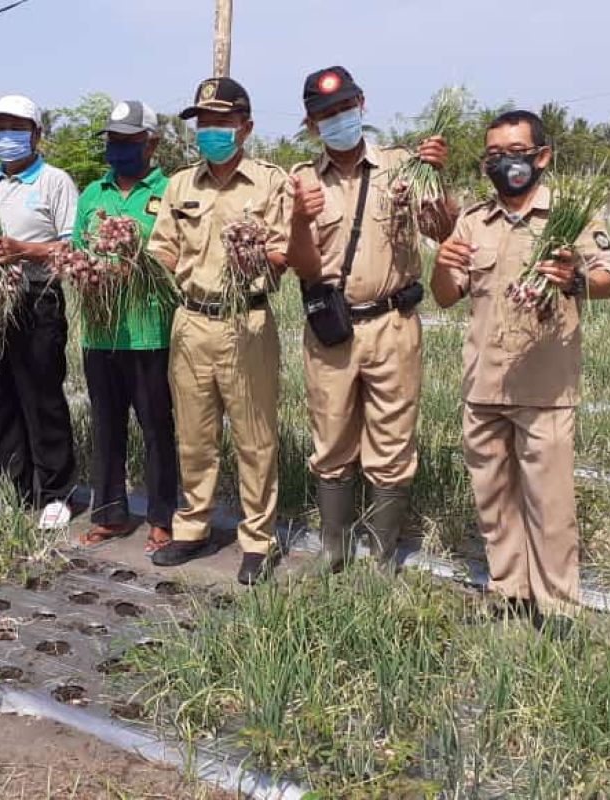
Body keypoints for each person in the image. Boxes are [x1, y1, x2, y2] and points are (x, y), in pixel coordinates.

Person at [432, 110, 610, 622]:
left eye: (515, 152)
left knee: (550, 505)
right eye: (493, 156)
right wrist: (442, 265)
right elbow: (446, 296)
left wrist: (573, 277)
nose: (504, 163)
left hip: (545, 388)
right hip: (483, 383)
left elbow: (607, 279)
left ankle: (558, 608)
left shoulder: (571, 218)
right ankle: (509, 591)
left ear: (542, 157)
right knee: (492, 497)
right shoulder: (473, 220)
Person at [287, 66, 456, 572]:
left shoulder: (403, 167)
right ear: (311, 124)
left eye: (345, 108)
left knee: (392, 442)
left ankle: (381, 559)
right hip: (331, 329)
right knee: (332, 440)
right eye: (325, 114)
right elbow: (300, 265)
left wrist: (437, 178)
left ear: (363, 105)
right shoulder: (302, 180)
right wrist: (298, 218)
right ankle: (334, 551)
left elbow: (444, 230)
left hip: (393, 324)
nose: (338, 119)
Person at [146, 77, 289, 585]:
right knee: (194, 435)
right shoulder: (181, 184)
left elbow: (282, 255)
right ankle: (193, 526)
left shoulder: (271, 183)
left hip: (245, 321)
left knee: (253, 436)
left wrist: (259, 257)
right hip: (190, 320)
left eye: (220, 123)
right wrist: (130, 266)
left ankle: (257, 539)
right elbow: (163, 248)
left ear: (245, 128)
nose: (210, 131)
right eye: (203, 123)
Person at [0, 95, 79, 530]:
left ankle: (55, 492)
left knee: (43, 396)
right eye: (0, 128)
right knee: (0, 397)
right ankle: (13, 486)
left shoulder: (55, 182)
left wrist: (24, 251)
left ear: (36, 134)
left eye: (16, 128)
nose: (6, 137)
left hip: (38, 299)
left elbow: (71, 247)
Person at [73, 101, 178, 555]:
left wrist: (137, 261)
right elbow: (79, 249)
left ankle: (162, 518)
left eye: (128, 141)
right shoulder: (92, 193)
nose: (118, 149)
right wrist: (91, 268)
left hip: (150, 330)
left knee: (156, 426)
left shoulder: (170, 190)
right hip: (100, 332)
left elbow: (177, 253)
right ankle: (110, 515)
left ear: (151, 143)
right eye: (113, 140)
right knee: (106, 426)